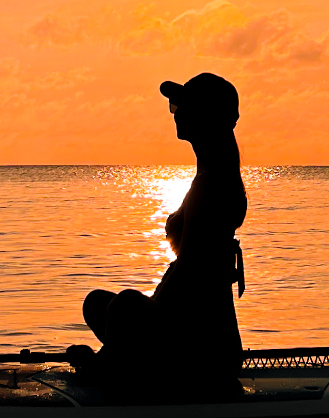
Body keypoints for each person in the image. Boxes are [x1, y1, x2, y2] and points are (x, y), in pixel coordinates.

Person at [74, 73, 247, 392]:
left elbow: (191, 274)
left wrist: (137, 319)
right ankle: (123, 362)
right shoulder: (207, 173)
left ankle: (111, 371)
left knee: (125, 305)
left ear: (206, 115)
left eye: (182, 105)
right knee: (99, 304)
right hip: (184, 333)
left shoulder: (216, 184)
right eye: (174, 105)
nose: (176, 112)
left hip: (205, 351)